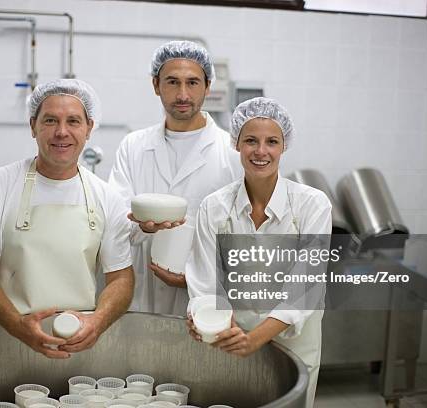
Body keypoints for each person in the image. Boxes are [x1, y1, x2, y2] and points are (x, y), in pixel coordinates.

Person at [0, 79, 134, 359]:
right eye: (50, 120)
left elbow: (121, 277)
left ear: (89, 129)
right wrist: (17, 325)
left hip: (77, 346)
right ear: (33, 127)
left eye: (73, 121)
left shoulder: (106, 198)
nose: (62, 132)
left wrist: (97, 322)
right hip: (4, 340)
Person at [186, 97, 331, 408]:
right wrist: (205, 319)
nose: (261, 151)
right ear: (237, 144)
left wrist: (255, 338)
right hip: (231, 341)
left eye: (272, 142)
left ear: (283, 147)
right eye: (251, 140)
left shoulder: (312, 205)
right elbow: (204, 280)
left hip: (294, 343)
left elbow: (304, 287)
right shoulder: (215, 207)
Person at [109, 40, 242, 316]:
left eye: (193, 83)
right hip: (142, 294)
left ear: (208, 86)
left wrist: (199, 280)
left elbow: (245, 236)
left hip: (203, 299)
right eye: (172, 82)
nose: (183, 94)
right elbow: (115, 218)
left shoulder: (233, 151)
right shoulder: (133, 146)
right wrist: (143, 228)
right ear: (156, 85)